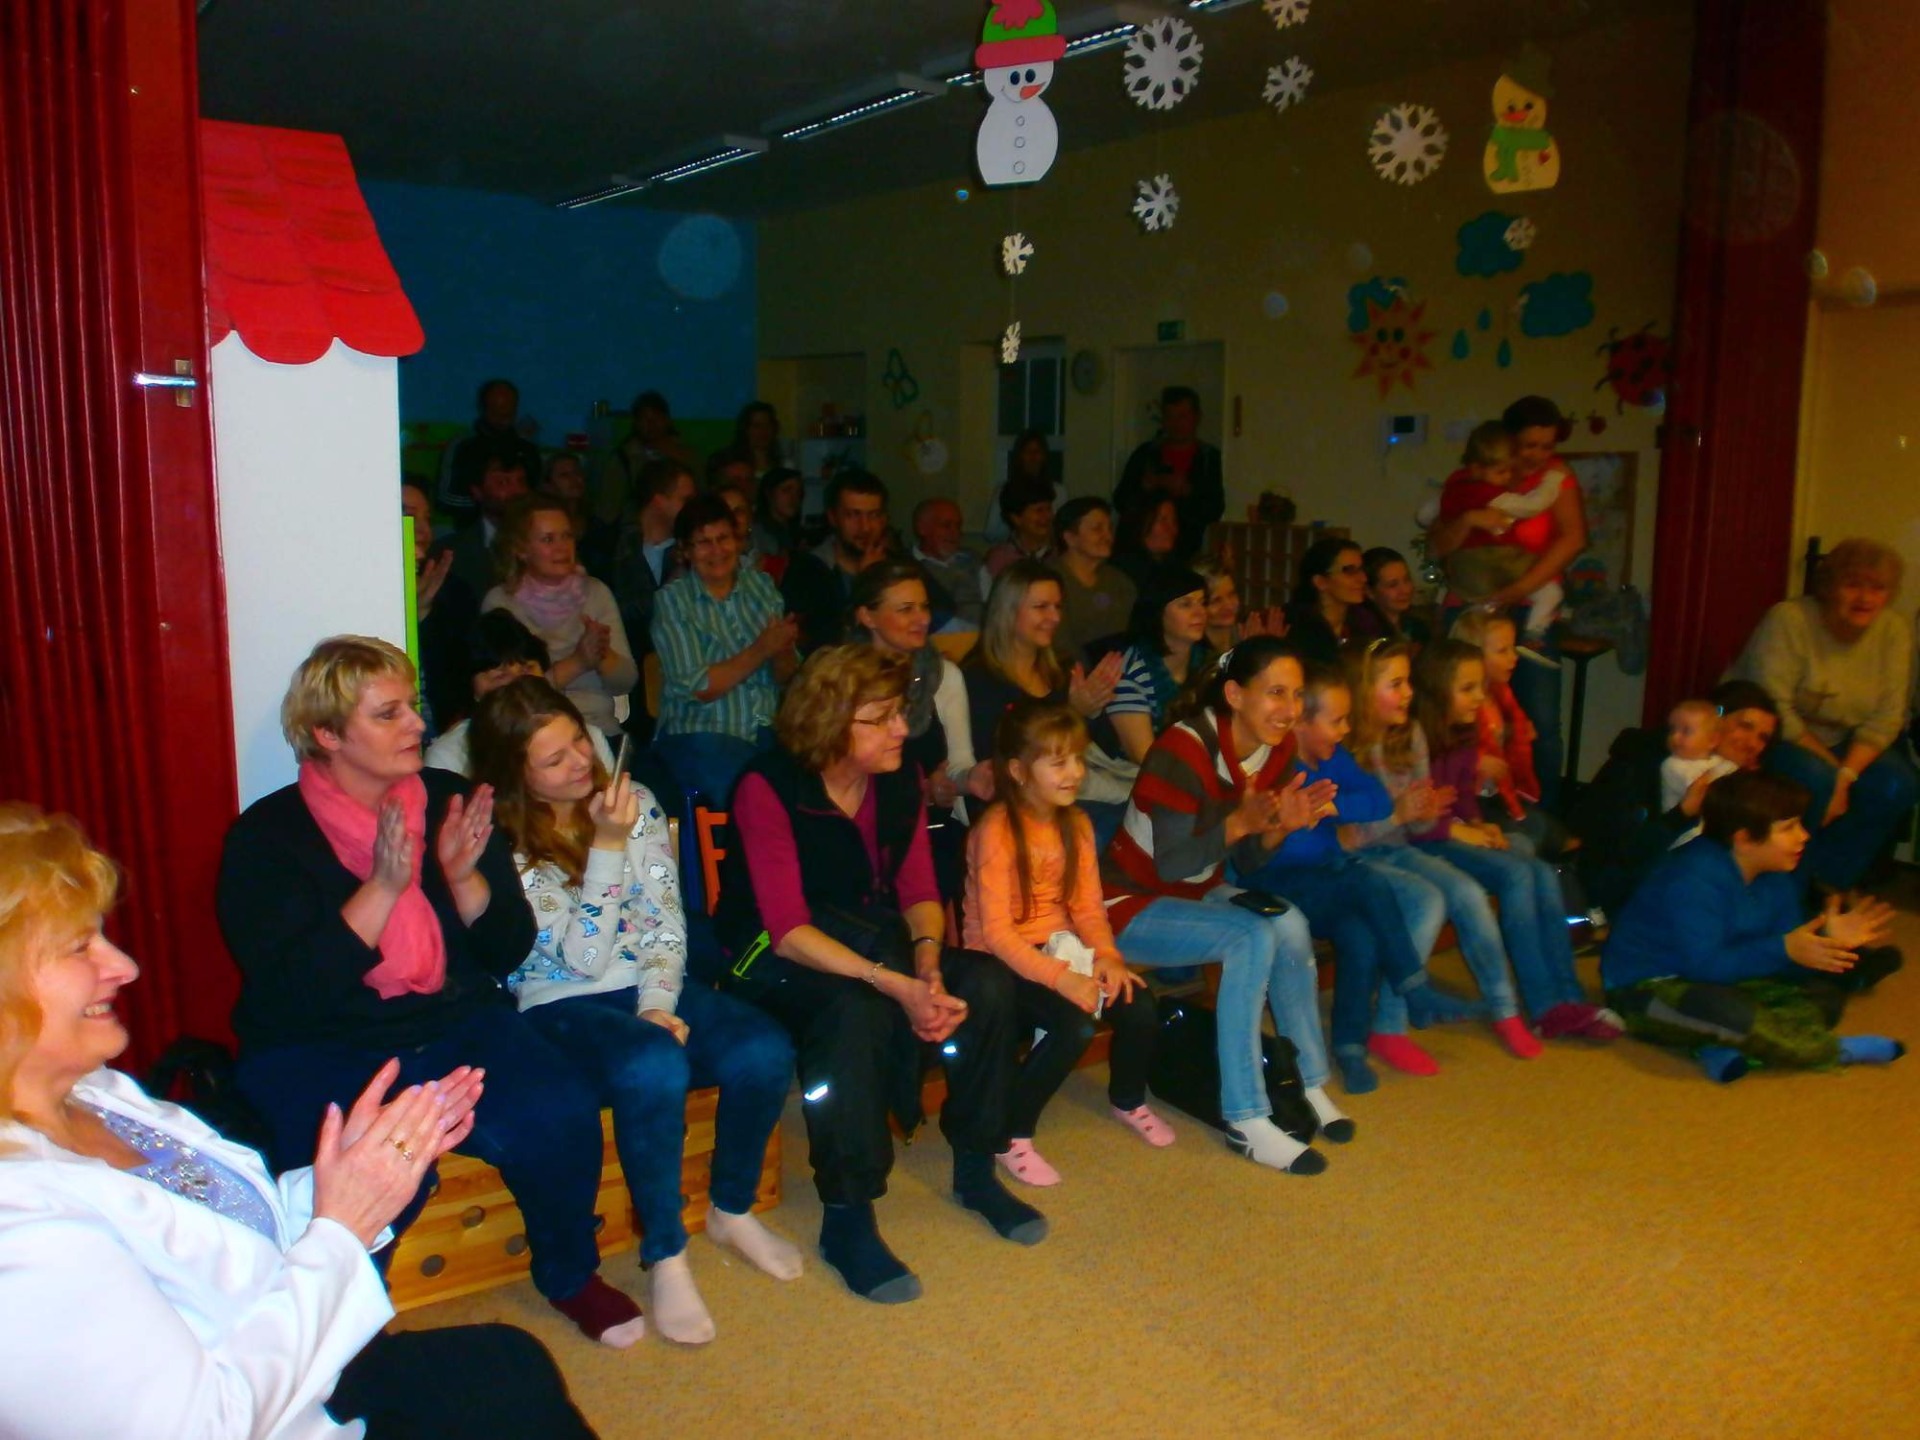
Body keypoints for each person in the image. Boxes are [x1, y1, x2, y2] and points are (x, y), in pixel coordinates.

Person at [0, 804, 599, 1438]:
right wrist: (343, 1227)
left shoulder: (99, 1094)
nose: (125, 966)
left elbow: (239, 1235)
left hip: (303, 1363)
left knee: (510, 1362)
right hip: (282, 1413)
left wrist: (348, 1175)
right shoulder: (21, 1233)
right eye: (79, 947)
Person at [215, 636, 645, 1346]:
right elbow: (294, 995)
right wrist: (384, 888)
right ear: (327, 734)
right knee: (366, 1173)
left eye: (412, 705)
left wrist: (464, 878)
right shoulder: (267, 838)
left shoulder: (450, 800)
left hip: (455, 1022)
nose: (418, 723)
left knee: (560, 1110)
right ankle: (338, 1330)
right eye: (388, 714)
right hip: (323, 1044)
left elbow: (506, 951)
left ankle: (570, 1274)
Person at [469, 679, 801, 1345]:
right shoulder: (502, 840)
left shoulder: (635, 800)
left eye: (578, 740)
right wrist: (607, 845)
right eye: (554, 759)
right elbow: (583, 960)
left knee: (764, 1048)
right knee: (652, 1066)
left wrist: (656, 1004)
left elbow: (665, 924)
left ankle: (731, 1207)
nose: (581, 761)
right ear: (517, 776)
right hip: (557, 1002)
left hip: (646, 985)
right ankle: (666, 1251)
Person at [717, 646, 1044, 1303]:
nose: (902, 729)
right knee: (855, 1014)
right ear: (831, 721)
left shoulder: (898, 779)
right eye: (883, 717)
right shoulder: (768, 785)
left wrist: (927, 965)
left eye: (900, 713)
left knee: (983, 983)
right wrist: (893, 984)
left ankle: (975, 1168)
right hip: (768, 954)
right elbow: (787, 929)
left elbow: (919, 886)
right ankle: (847, 1214)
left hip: (870, 939)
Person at [1099, 637, 1356, 1172]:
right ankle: (1245, 1116)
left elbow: (1251, 862)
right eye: (1276, 693)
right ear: (1235, 695)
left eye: (1297, 695)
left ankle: (1307, 1081)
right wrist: (1240, 822)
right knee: (1250, 936)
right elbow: (1171, 865)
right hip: (1127, 901)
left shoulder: (1276, 751)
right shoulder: (1183, 747)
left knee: (1289, 923)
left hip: (1195, 893)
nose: (1289, 709)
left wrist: (1279, 828)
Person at [1239, 664, 1491, 1095]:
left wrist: (1332, 808)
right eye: (1336, 721)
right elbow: (1278, 851)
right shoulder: (1277, 765)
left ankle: (1350, 1048)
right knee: (1368, 880)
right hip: (1273, 881)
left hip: (1324, 878)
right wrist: (1306, 819)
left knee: (1361, 935)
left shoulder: (1333, 758)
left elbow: (1377, 798)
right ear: (1301, 723)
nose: (1346, 730)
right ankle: (1416, 989)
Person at [964, 700, 1168, 1185]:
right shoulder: (995, 831)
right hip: (999, 960)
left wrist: (1108, 958)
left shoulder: (1075, 824)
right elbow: (996, 933)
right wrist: (1063, 979)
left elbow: (1088, 908)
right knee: (1072, 1027)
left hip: (1059, 945)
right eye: (1058, 762)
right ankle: (1011, 1133)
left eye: (1078, 758)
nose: (1075, 772)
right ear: (1018, 771)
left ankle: (1127, 1099)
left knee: (1138, 1003)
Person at [1601, 771, 1904, 1082]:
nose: (1803, 836)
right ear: (1744, 839)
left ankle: (1716, 1045)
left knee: (1825, 998)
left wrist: (1822, 942)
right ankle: (1831, 1051)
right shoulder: (1693, 879)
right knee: (1729, 1014)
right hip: (1645, 989)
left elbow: (1783, 964)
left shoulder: (1776, 876)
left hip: (1725, 979)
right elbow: (1705, 966)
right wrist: (1784, 948)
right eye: (1788, 828)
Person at [1345, 640, 1550, 1077]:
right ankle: (1390, 1026)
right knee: (1430, 899)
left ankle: (1504, 1009)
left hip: (1400, 847)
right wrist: (1400, 814)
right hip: (1360, 856)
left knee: (1469, 893)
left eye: (1408, 683)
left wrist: (1424, 813)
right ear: (1363, 690)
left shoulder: (1410, 734)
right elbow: (1344, 839)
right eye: (1395, 684)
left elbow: (1417, 829)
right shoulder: (1345, 745)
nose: (1408, 694)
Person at [1407, 639, 1621, 1043]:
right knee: (1518, 875)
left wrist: (1478, 823)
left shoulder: (1463, 730)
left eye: (1480, 687)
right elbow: (1414, 822)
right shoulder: (1415, 737)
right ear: (1436, 689)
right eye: (1467, 688)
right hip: (1423, 840)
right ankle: (1544, 1007)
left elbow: (1463, 792)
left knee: (1541, 871)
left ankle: (1569, 995)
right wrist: (1466, 831)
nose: (1479, 697)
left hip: (1454, 829)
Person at [1727, 538, 1916, 891]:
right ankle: (1787, 890)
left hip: (1845, 741)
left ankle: (1827, 883)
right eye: (1853, 585)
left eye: (1877, 588)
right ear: (1830, 586)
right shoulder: (1789, 619)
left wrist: (1846, 775)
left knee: (1897, 784)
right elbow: (1774, 707)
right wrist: (1834, 774)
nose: (1865, 598)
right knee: (1817, 780)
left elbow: (1888, 717)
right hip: (1772, 734)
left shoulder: (1894, 631)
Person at [1429, 396, 1588, 807]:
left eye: (1547, 446)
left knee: (1539, 721)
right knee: (1459, 712)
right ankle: (1461, 807)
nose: (1537, 455)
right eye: (1528, 445)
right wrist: (1468, 519)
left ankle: (1538, 814)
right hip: (1472, 606)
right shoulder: (1472, 481)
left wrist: (1516, 592)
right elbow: (1438, 545)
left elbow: (1573, 539)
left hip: (1529, 604)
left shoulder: (1556, 479)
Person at [1569, 679, 1782, 915]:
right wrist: (1681, 815)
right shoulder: (1646, 762)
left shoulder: (1729, 777)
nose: (1753, 743)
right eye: (1745, 726)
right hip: (1620, 890)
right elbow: (1621, 852)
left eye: (1763, 738)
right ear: (1714, 719)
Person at [651, 494, 799, 805]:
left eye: (724, 539)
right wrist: (761, 649)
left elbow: (786, 676)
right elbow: (699, 687)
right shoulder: (673, 600)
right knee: (745, 786)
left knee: (806, 772)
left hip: (767, 728)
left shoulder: (761, 587)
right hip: (702, 732)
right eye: (704, 543)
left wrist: (783, 648)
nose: (717, 550)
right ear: (685, 551)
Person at [964, 561, 1129, 842]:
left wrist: (1091, 712)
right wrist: (1072, 713)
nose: (1054, 617)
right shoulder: (978, 678)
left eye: (1058, 607)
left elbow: (1108, 748)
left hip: (1076, 789)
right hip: (1019, 806)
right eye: (1041, 607)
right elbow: (997, 760)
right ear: (1008, 611)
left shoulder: (1063, 669)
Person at [483, 497, 638, 746]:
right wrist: (579, 662)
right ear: (521, 550)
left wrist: (603, 655)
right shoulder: (501, 604)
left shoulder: (596, 593)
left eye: (567, 536)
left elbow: (626, 682)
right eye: (548, 539)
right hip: (532, 735)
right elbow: (511, 696)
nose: (562, 547)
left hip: (599, 729)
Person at [425, 610, 614, 777]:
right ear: (472, 690)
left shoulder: (585, 738)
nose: (518, 684)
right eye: (500, 677)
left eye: (527, 669)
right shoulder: (449, 757)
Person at [1436, 423, 1565, 641]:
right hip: (1492, 566)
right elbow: (1532, 506)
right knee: (1550, 592)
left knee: (1483, 625)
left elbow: (1429, 513)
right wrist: (1554, 480)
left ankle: (1497, 623)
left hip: (1473, 579)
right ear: (1477, 469)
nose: (1506, 477)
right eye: (1501, 472)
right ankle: (1535, 632)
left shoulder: (1456, 486)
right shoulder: (1487, 493)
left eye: (1547, 447)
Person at [1106, 565, 1212, 765]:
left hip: (1194, 767)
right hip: (1137, 778)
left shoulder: (1209, 664)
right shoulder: (1130, 674)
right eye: (1186, 605)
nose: (1200, 613)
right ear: (1158, 612)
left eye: (1203, 603)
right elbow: (1148, 759)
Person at [782, 469, 895, 652]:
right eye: (853, 515)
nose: (865, 527)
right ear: (833, 518)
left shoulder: (897, 564)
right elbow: (821, 642)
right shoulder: (808, 570)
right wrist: (865, 582)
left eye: (873, 515)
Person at [1114, 386, 1223, 561]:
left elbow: (1215, 508)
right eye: (1170, 417)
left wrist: (1188, 491)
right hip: (1140, 552)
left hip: (1187, 550)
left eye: (1182, 416)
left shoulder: (1209, 458)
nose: (1176, 423)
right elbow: (1120, 500)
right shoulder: (1145, 454)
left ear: (1197, 417)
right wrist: (1147, 486)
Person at [611, 457, 698, 676]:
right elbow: (614, 611)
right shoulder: (610, 547)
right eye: (686, 500)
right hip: (621, 670)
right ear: (659, 501)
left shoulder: (695, 549)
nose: (693, 509)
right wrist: (669, 587)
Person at [404, 479, 475, 735]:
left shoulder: (452, 591)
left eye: (427, 519)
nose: (423, 531)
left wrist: (422, 615)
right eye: (409, 517)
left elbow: (457, 685)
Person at [439, 438, 531, 601]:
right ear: (477, 491)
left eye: (521, 481)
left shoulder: (551, 543)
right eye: (503, 482)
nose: (516, 490)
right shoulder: (450, 554)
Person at [594, 390, 702, 525]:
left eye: (657, 418)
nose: (651, 424)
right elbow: (608, 508)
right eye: (644, 419)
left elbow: (700, 492)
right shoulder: (623, 459)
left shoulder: (687, 455)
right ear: (636, 423)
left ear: (667, 420)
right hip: (636, 528)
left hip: (683, 524)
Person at [1053, 497, 1138, 662]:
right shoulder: (1050, 581)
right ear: (1070, 538)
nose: (1108, 536)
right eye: (1097, 529)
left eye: (1110, 529)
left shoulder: (1119, 581)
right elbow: (1059, 645)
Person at [442, 378, 543, 513]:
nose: (504, 421)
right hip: (472, 522)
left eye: (509, 414)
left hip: (520, 522)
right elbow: (445, 499)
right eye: (497, 414)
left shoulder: (526, 447)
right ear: (483, 409)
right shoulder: (462, 445)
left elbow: (538, 492)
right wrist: (490, 503)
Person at [1660, 699, 1739, 846]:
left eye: (1686, 731)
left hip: (1711, 833)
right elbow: (1702, 794)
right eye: (1672, 730)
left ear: (1712, 740)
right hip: (1682, 836)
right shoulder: (1672, 765)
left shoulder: (1720, 762)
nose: (1675, 737)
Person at [1284, 536, 1368, 666]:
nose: (1363, 578)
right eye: (1350, 571)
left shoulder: (1362, 623)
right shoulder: (1297, 629)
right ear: (1320, 582)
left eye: (1361, 569)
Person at [542, 450, 617, 583]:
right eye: (564, 475)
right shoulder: (543, 527)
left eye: (577, 473)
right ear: (548, 485)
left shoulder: (597, 526)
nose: (574, 479)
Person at [911, 496, 985, 629]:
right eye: (946, 526)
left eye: (958, 526)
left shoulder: (974, 560)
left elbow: (994, 605)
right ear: (922, 528)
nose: (954, 533)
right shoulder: (907, 566)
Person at [984, 428, 1066, 542]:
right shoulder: (1004, 490)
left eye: (1037, 451)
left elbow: (1062, 528)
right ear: (1019, 456)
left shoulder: (1058, 491)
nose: (1033, 456)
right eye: (1027, 452)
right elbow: (991, 532)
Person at [1192, 556, 1285, 654]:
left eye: (1232, 594)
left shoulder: (1244, 633)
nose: (1229, 605)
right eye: (1216, 601)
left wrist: (1272, 650)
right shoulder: (1192, 649)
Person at [1348, 546, 1433, 649]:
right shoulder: (1363, 634)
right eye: (1392, 585)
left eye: (1407, 580)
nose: (1405, 590)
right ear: (1370, 592)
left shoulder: (1418, 628)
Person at [981, 477, 1057, 582]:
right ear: (1016, 518)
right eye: (1039, 510)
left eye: (1049, 509)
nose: (1047, 516)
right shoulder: (1000, 559)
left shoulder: (1062, 554)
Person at [1111, 494, 1181, 590]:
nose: (1172, 528)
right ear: (1142, 523)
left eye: (1174, 521)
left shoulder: (1173, 567)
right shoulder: (1123, 571)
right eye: (1163, 520)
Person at [751, 466, 806, 564]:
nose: (794, 498)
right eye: (786, 490)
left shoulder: (796, 533)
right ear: (769, 493)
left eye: (798, 492)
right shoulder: (757, 533)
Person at [733, 400, 795, 478]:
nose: (763, 431)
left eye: (767, 425)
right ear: (746, 429)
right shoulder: (732, 465)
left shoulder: (785, 465)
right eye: (757, 426)